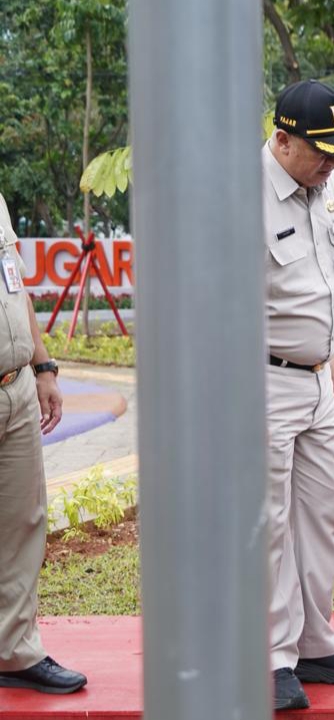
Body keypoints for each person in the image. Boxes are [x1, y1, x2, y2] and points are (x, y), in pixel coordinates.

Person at [262, 79, 334, 711]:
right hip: (263, 379)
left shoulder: (326, 185)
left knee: (320, 513)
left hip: (316, 382)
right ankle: (273, 656)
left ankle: (314, 642)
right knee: (271, 522)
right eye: (322, 150)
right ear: (282, 140)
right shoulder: (241, 195)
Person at [0, 192, 86, 695]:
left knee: (23, 522)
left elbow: (16, 287)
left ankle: (14, 652)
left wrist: (43, 365)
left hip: (15, 387)